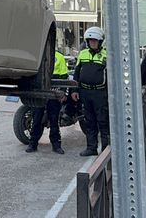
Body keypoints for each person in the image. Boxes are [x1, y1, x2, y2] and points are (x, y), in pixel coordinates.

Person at [72, 27, 108, 156]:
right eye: (90, 40)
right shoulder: (82, 54)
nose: (92, 43)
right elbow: (76, 73)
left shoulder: (106, 55)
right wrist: (74, 90)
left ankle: (105, 150)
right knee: (89, 121)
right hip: (85, 92)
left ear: (100, 41)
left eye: (95, 40)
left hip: (100, 93)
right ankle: (91, 148)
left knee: (103, 121)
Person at [26, 49, 70, 154]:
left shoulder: (59, 57)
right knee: (36, 119)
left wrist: (62, 92)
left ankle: (56, 145)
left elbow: (64, 76)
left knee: (54, 120)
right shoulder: (35, 55)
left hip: (53, 93)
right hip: (39, 93)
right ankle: (32, 144)